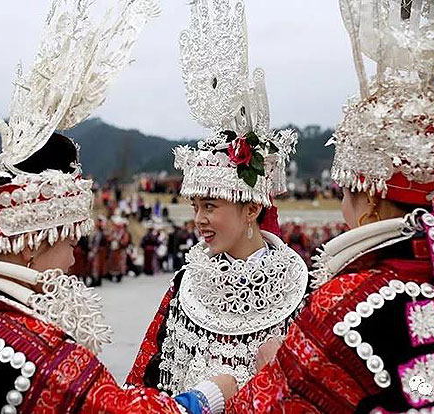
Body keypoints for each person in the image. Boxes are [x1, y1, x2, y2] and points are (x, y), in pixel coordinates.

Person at [0, 1, 237, 413]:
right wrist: (211, 393)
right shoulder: (42, 356)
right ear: (31, 243)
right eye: (69, 241)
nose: (72, 259)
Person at [223, 1, 434, 412]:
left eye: (345, 194)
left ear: (371, 200)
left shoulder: (344, 305)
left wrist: (270, 370)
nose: (343, 210)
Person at [126, 0, 307, 397]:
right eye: (195, 207)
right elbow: (146, 383)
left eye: (210, 206)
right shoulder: (185, 284)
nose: (199, 219)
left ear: (252, 208)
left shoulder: (302, 289)